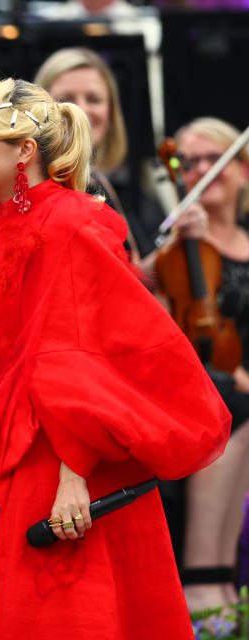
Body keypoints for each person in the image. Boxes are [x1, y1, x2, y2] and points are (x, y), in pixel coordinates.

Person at [0, 78, 229, 639]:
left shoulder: (73, 223)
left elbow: (91, 360)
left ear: (23, 149)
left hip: (58, 459)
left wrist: (76, 477)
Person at [155, 116, 249, 612]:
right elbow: (167, 337)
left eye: (216, 159)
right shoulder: (175, 251)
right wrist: (172, 250)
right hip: (202, 385)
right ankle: (205, 576)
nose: (201, 170)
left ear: (243, 172)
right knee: (233, 404)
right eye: (189, 162)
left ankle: (225, 579)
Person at [34, 47, 203, 270]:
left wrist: (177, 241)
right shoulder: (32, 186)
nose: (81, 110)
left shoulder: (99, 183)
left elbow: (130, 279)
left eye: (94, 99)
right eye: (65, 99)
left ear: (111, 114)